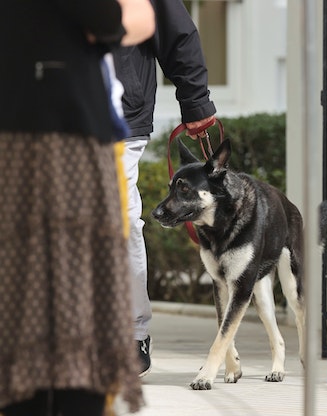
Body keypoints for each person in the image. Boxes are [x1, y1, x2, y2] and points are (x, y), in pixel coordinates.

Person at [0, 1, 154, 415]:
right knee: (70, 285)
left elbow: (141, 19)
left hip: (60, 123)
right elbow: (105, 18)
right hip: (57, 133)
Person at [112, 0, 216, 377]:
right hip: (38, 114)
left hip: (118, 115)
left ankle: (132, 332)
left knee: (118, 219)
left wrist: (196, 100)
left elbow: (174, 29)